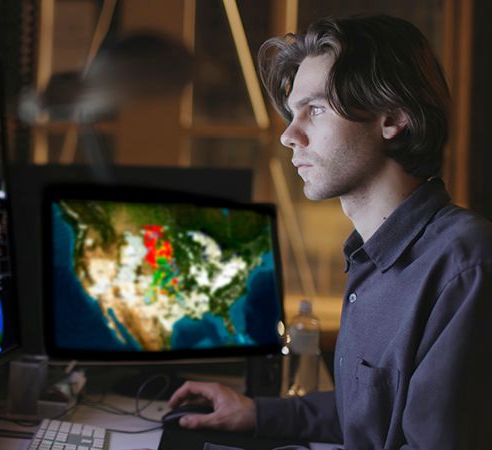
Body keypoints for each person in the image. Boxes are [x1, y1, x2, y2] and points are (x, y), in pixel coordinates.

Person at [168, 14, 492, 449]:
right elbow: (367, 417)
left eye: (315, 110)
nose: (288, 135)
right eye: (292, 112)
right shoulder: (369, 256)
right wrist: (256, 412)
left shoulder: (465, 264)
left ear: (392, 118)